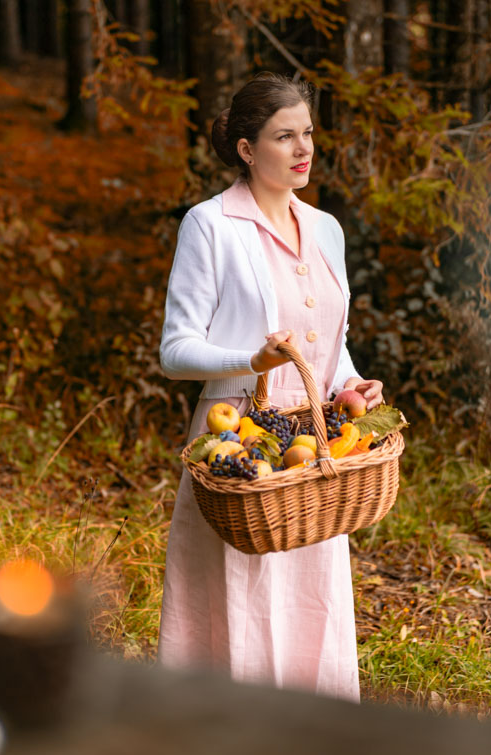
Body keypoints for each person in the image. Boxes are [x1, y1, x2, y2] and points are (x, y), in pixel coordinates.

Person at [157, 73, 385, 701]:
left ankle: (311, 742)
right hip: (237, 449)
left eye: (307, 133)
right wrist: (250, 360)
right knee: (242, 601)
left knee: (311, 597)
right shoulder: (210, 225)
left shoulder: (328, 229)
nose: (303, 148)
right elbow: (175, 350)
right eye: (284, 136)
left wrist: (350, 382)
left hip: (315, 448)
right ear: (247, 149)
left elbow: (326, 343)